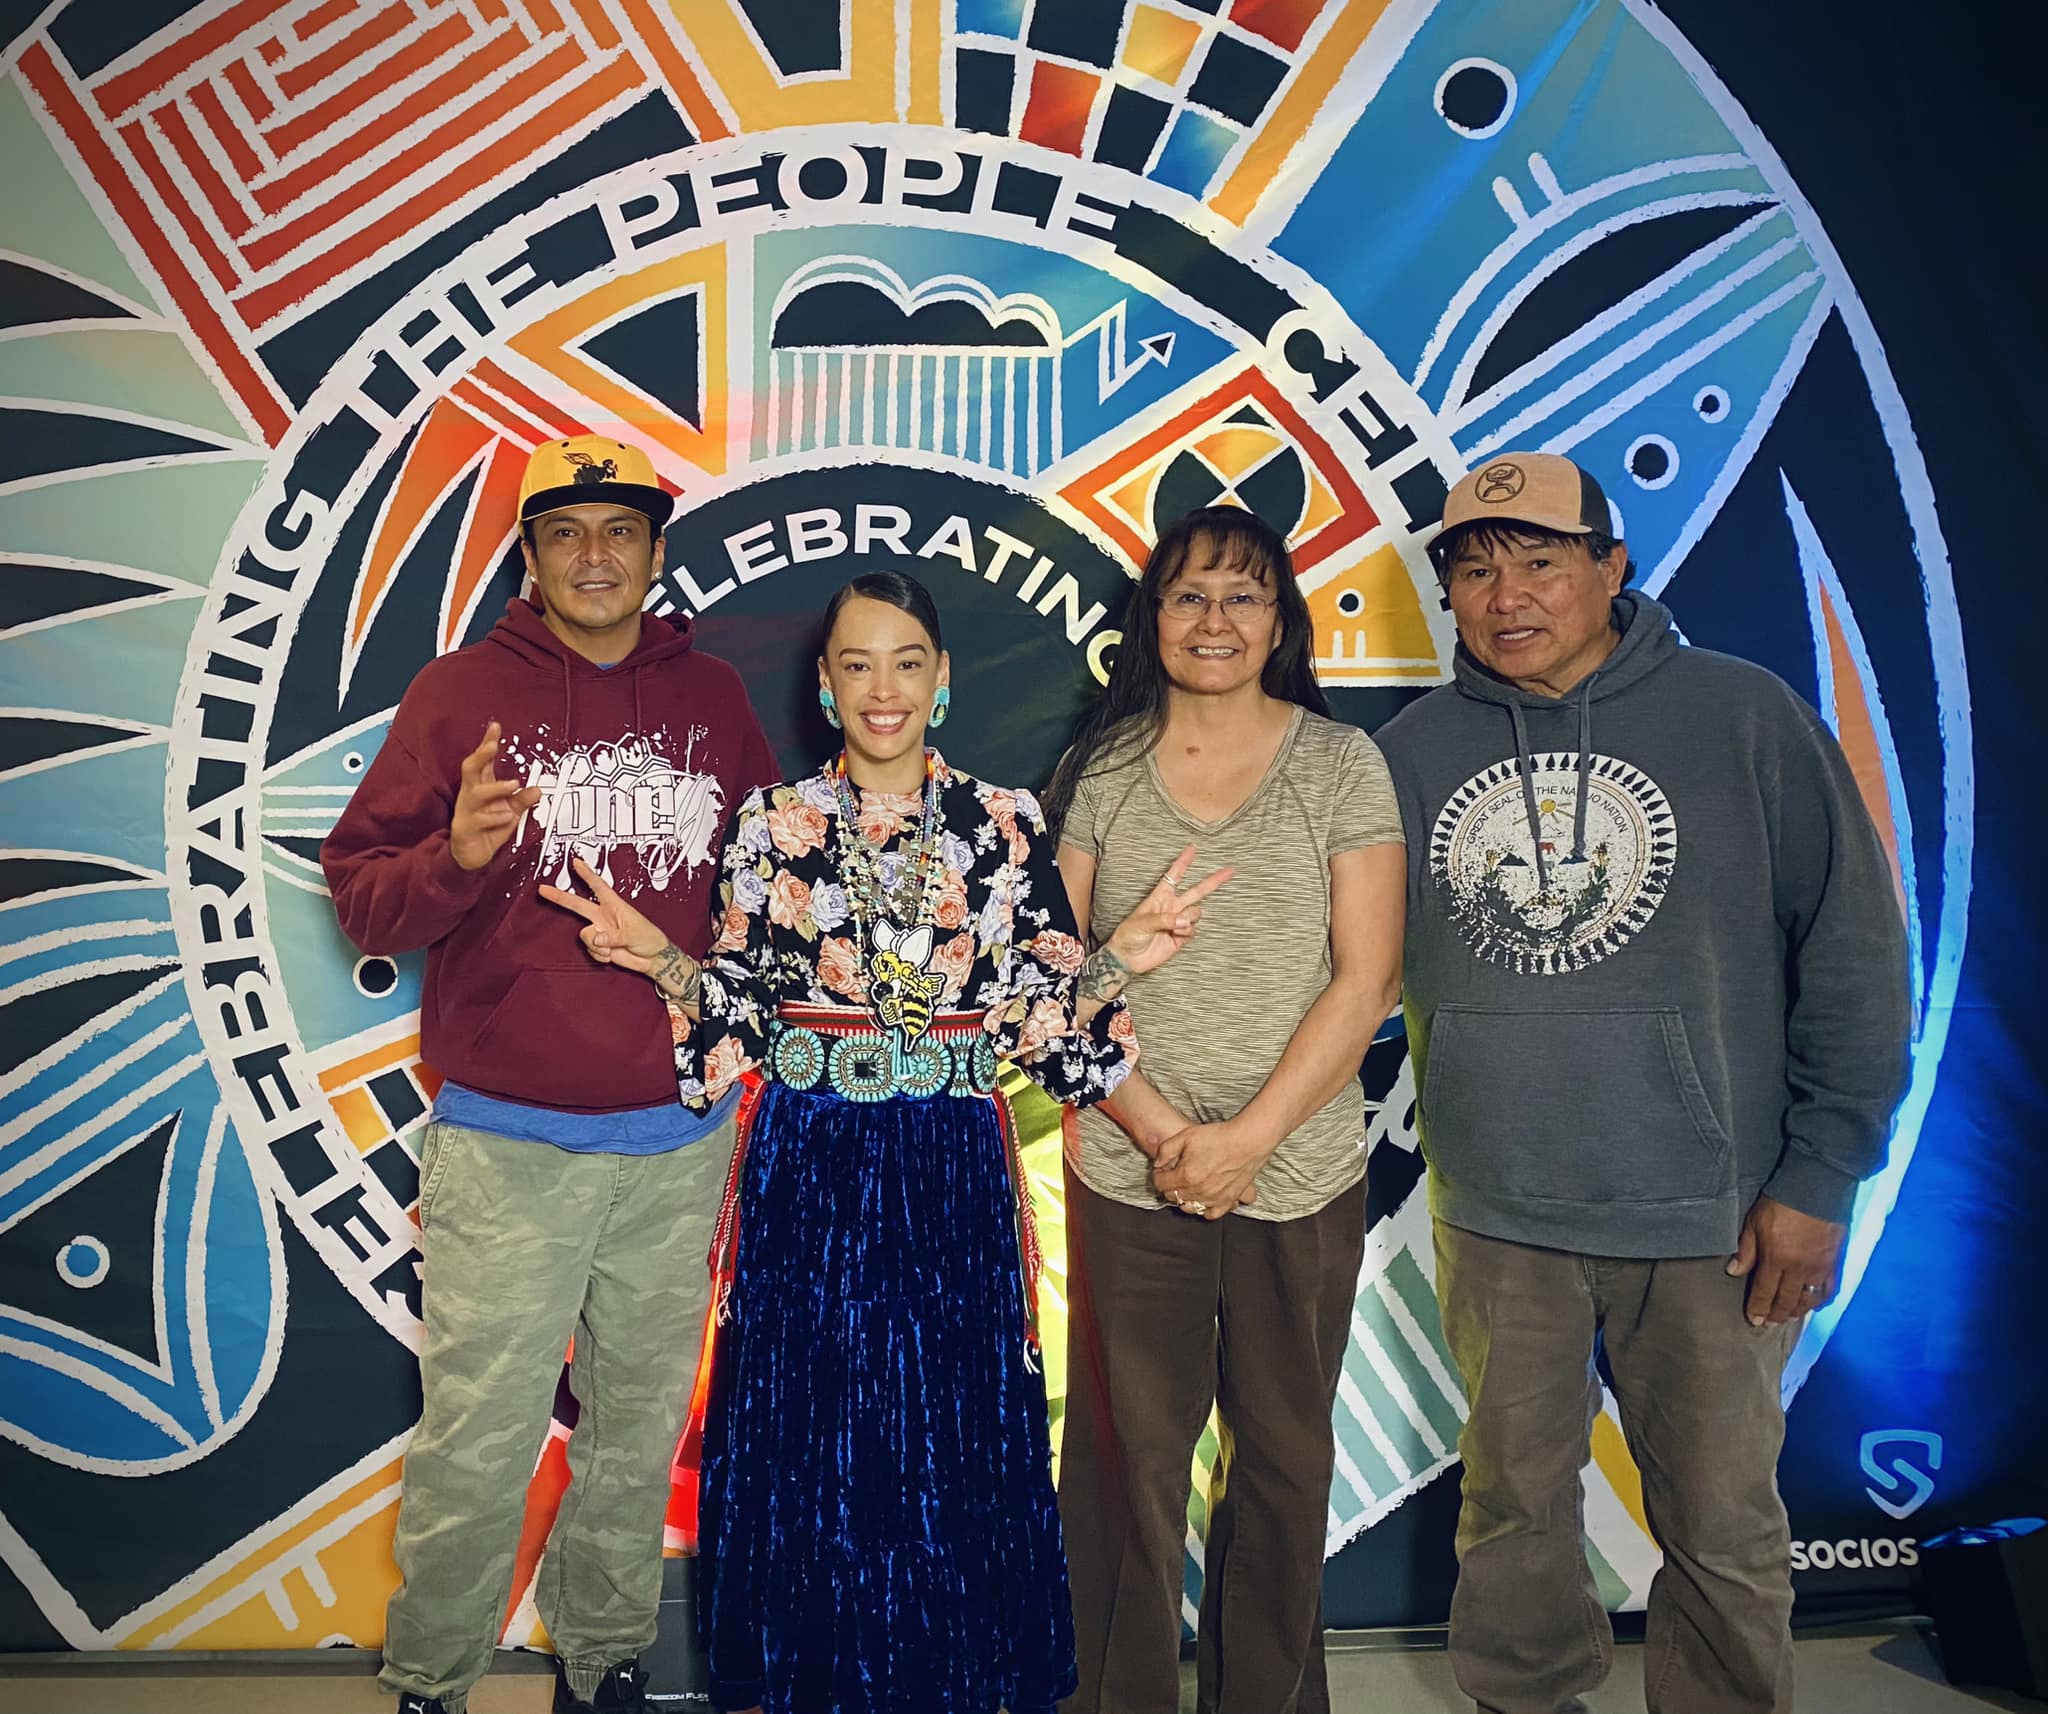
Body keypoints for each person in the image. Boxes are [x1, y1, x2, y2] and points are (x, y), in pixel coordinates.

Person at [539, 571, 1229, 1714]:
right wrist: (651, 957)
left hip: (950, 1167)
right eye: (855, 664)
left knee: (947, 1431)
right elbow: (743, 1013)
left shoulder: (1006, 823)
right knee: (810, 1429)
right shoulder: (769, 823)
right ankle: (815, 1678)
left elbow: (1033, 1020)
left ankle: (952, 1678)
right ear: (823, 686)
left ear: (943, 680)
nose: (882, 688)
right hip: (809, 1161)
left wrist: (1122, 957)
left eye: (906, 661)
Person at [1374, 452, 1912, 1714]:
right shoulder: (1409, 752)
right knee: (1510, 1519)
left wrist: (1820, 1173)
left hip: (1714, 1218)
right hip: (1499, 1213)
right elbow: (1338, 959)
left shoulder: (1743, 716)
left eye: (1540, 558)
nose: (1506, 593)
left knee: (1723, 1525)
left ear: (1611, 567)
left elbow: (1851, 948)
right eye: (1473, 565)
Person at [322, 435, 778, 1714]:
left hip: (675, 1137)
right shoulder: (460, 692)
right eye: (566, 530)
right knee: (478, 1438)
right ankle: (432, 1678)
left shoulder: (718, 702)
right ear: (529, 555)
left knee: (635, 1438)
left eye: (619, 529)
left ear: (653, 550)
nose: (594, 554)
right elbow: (364, 901)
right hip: (506, 1137)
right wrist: (459, 858)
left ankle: (603, 1657)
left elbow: (762, 910)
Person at [1040, 506, 1407, 1714]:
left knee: (1286, 1463)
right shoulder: (1100, 768)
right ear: (1152, 617)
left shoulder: (1338, 763)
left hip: (1295, 1173)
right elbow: (1055, 983)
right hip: (1126, 1168)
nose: (1214, 620)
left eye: (1243, 595)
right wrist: (1159, 1135)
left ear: (1280, 620)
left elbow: (1367, 977)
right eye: (1190, 594)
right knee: (1124, 1465)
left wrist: (1245, 1141)